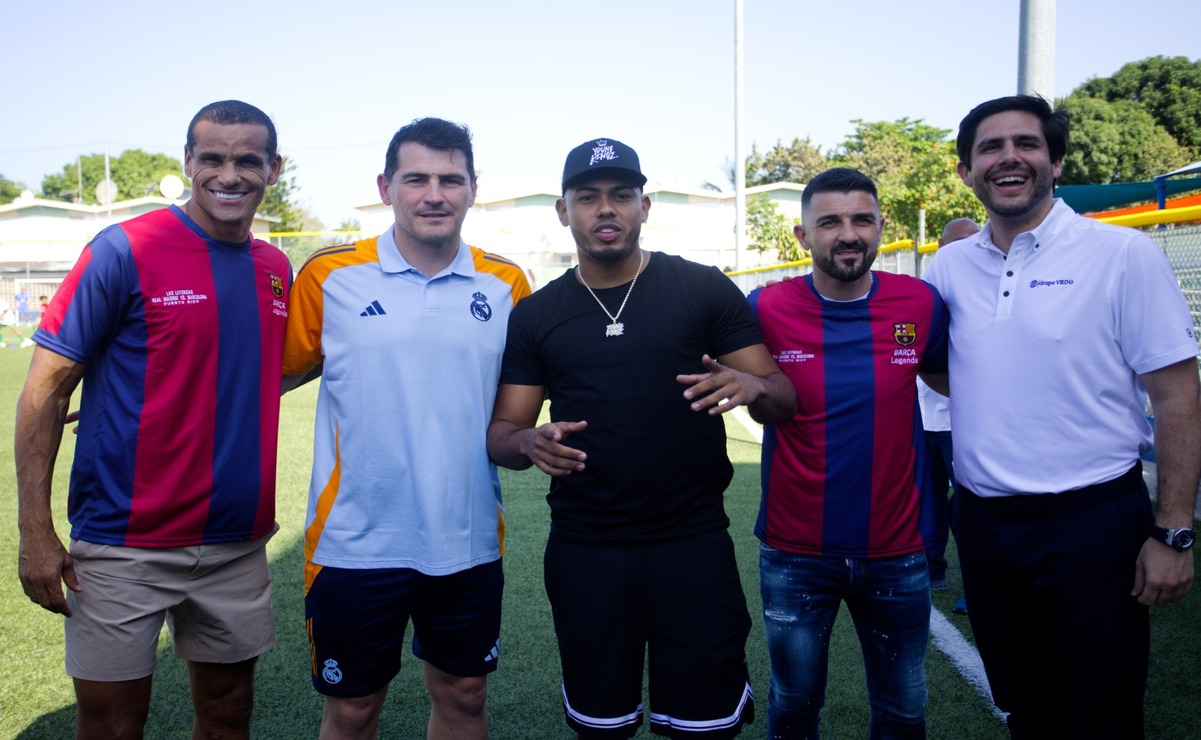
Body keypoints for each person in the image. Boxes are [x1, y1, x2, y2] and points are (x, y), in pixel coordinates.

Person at [487, 137, 796, 739]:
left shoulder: (701, 288)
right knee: (602, 726)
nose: (607, 210)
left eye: (621, 196)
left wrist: (750, 386)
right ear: (563, 211)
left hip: (692, 543)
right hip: (586, 548)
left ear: (644, 207)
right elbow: (504, 433)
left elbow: (783, 397)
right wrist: (530, 444)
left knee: (704, 726)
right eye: (589, 197)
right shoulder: (538, 314)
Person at [922, 95, 1201, 739]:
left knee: (1101, 713)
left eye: (1026, 143)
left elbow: (1178, 397)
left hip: (1093, 524)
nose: (1008, 158)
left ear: (1055, 159)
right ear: (967, 171)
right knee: (1025, 706)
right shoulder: (950, 266)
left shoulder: (1121, 254)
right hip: (986, 525)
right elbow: (945, 369)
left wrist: (1174, 532)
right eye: (990, 148)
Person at [15, 100, 289, 739]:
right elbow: (45, 391)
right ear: (188, 162)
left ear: (273, 169)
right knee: (112, 725)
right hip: (121, 543)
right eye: (213, 158)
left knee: (227, 714)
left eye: (248, 160)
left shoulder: (275, 268)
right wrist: (35, 530)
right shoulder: (122, 250)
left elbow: (270, 365)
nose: (230, 173)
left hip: (237, 543)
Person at [282, 117, 531, 740]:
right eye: (416, 178)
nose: (434, 194)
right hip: (355, 540)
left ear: (474, 188)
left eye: (451, 179)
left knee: (466, 696)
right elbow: (263, 377)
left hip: (466, 536)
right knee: (354, 708)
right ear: (386, 186)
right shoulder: (329, 276)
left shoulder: (507, 285)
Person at [749, 167, 949, 739]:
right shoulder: (765, 308)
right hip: (795, 554)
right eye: (830, 221)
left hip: (898, 553)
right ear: (802, 235)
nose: (848, 234)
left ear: (882, 227)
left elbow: (947, 380)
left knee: (904, 711)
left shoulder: (921, 303)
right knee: (792, 706)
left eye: (862, 219)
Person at [920, 217, 979, 601]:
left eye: (974, 241)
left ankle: (978, 581)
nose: (967, 250)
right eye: (957, 243)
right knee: (927, 502)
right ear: (940, 248)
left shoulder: (988, 288)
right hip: (923, 418)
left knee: (971, 506)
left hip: (967, 421)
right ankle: (931, 570)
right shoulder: (922, 292)